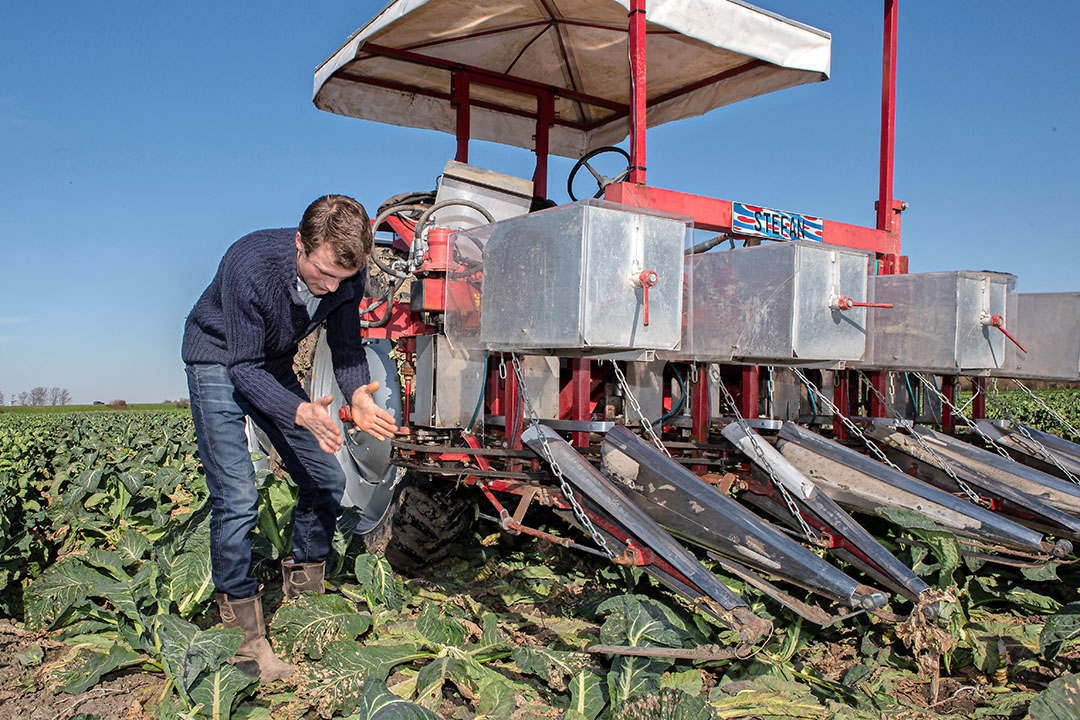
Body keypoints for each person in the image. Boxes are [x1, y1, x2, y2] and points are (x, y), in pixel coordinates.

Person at [181, 194, 398, 680]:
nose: (329, 287)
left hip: (271, 365)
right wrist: (299, 410)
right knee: (236, 496)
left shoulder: (345, 274)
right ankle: (244, 640)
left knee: (324, 477)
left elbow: (344, 346)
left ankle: (304, 606)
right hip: (218, 360)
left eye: (341, 279)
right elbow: (242, 367)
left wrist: (358, 394)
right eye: (321, 273)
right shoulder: (250, 263)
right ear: (300, 243)